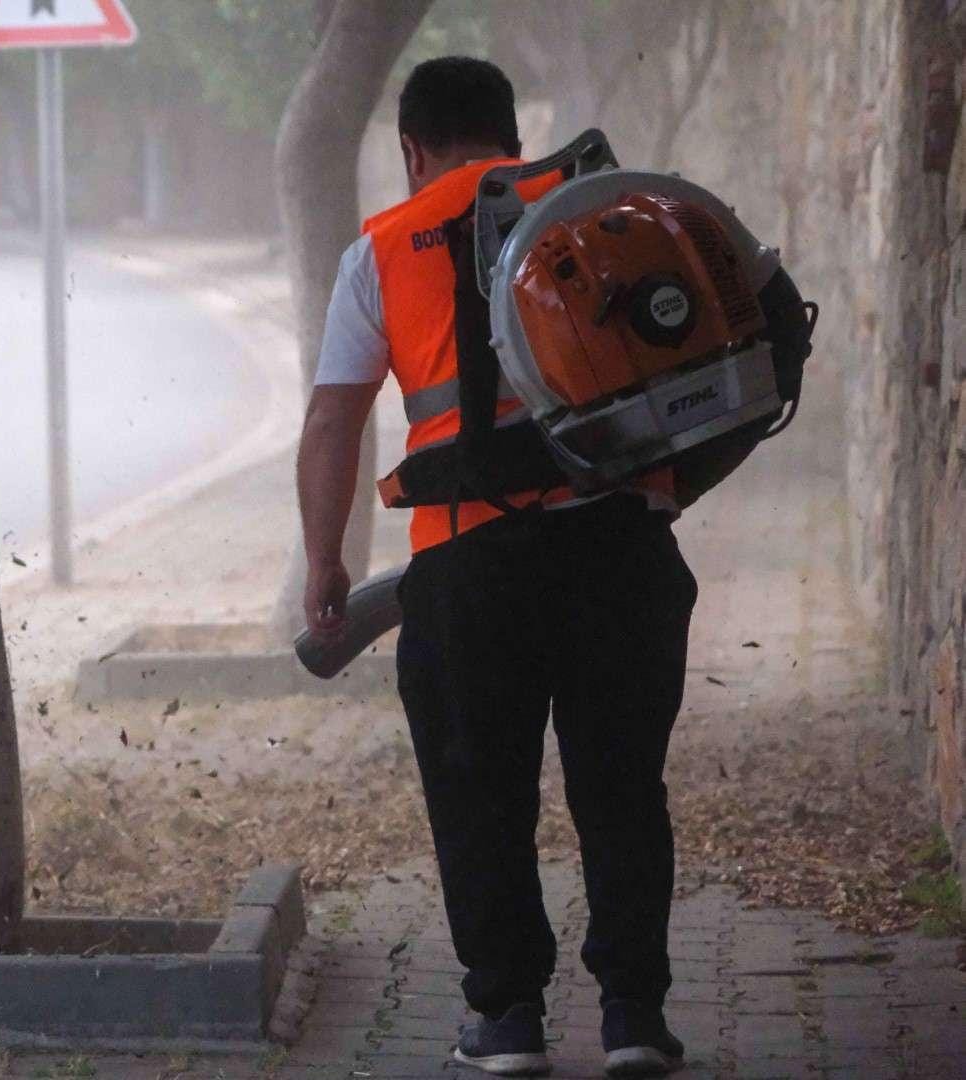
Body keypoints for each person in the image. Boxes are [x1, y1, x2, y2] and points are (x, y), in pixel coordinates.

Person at [296, 57, 693, 1078]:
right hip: (615, 550)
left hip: (468, 566)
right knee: (621, 787)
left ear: (412, 150)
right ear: (513, 137)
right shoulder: (594, 209)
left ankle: (508, 1019)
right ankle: (635, 1018)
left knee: (480, 795)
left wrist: (325, 562)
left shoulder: (380, 250)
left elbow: (335, 415)